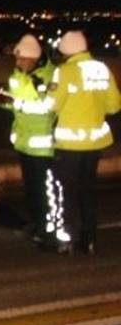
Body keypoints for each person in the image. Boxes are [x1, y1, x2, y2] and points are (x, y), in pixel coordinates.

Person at [43, 31, 120, 255]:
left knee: (67, 192)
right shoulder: (102, 69)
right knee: (88, 190)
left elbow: (51, 105)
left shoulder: (64, 72)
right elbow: (115, 105)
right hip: (94, 143)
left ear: (66, 51)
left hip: (70, 145)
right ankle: (90, 239)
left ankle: (68, 238)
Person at [0, 34, 56, 242]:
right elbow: (16, 102)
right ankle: (36, 223)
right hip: (24, 142)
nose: (18, 63)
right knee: (31, 189)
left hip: (42, 146)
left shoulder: (50, 77)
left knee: (43, 191)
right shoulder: (18, 75)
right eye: (17, 59)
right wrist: (4, 100)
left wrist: (19, 104)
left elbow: (48, 108)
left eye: (22, 59)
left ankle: (47, 228)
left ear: (33, 58)